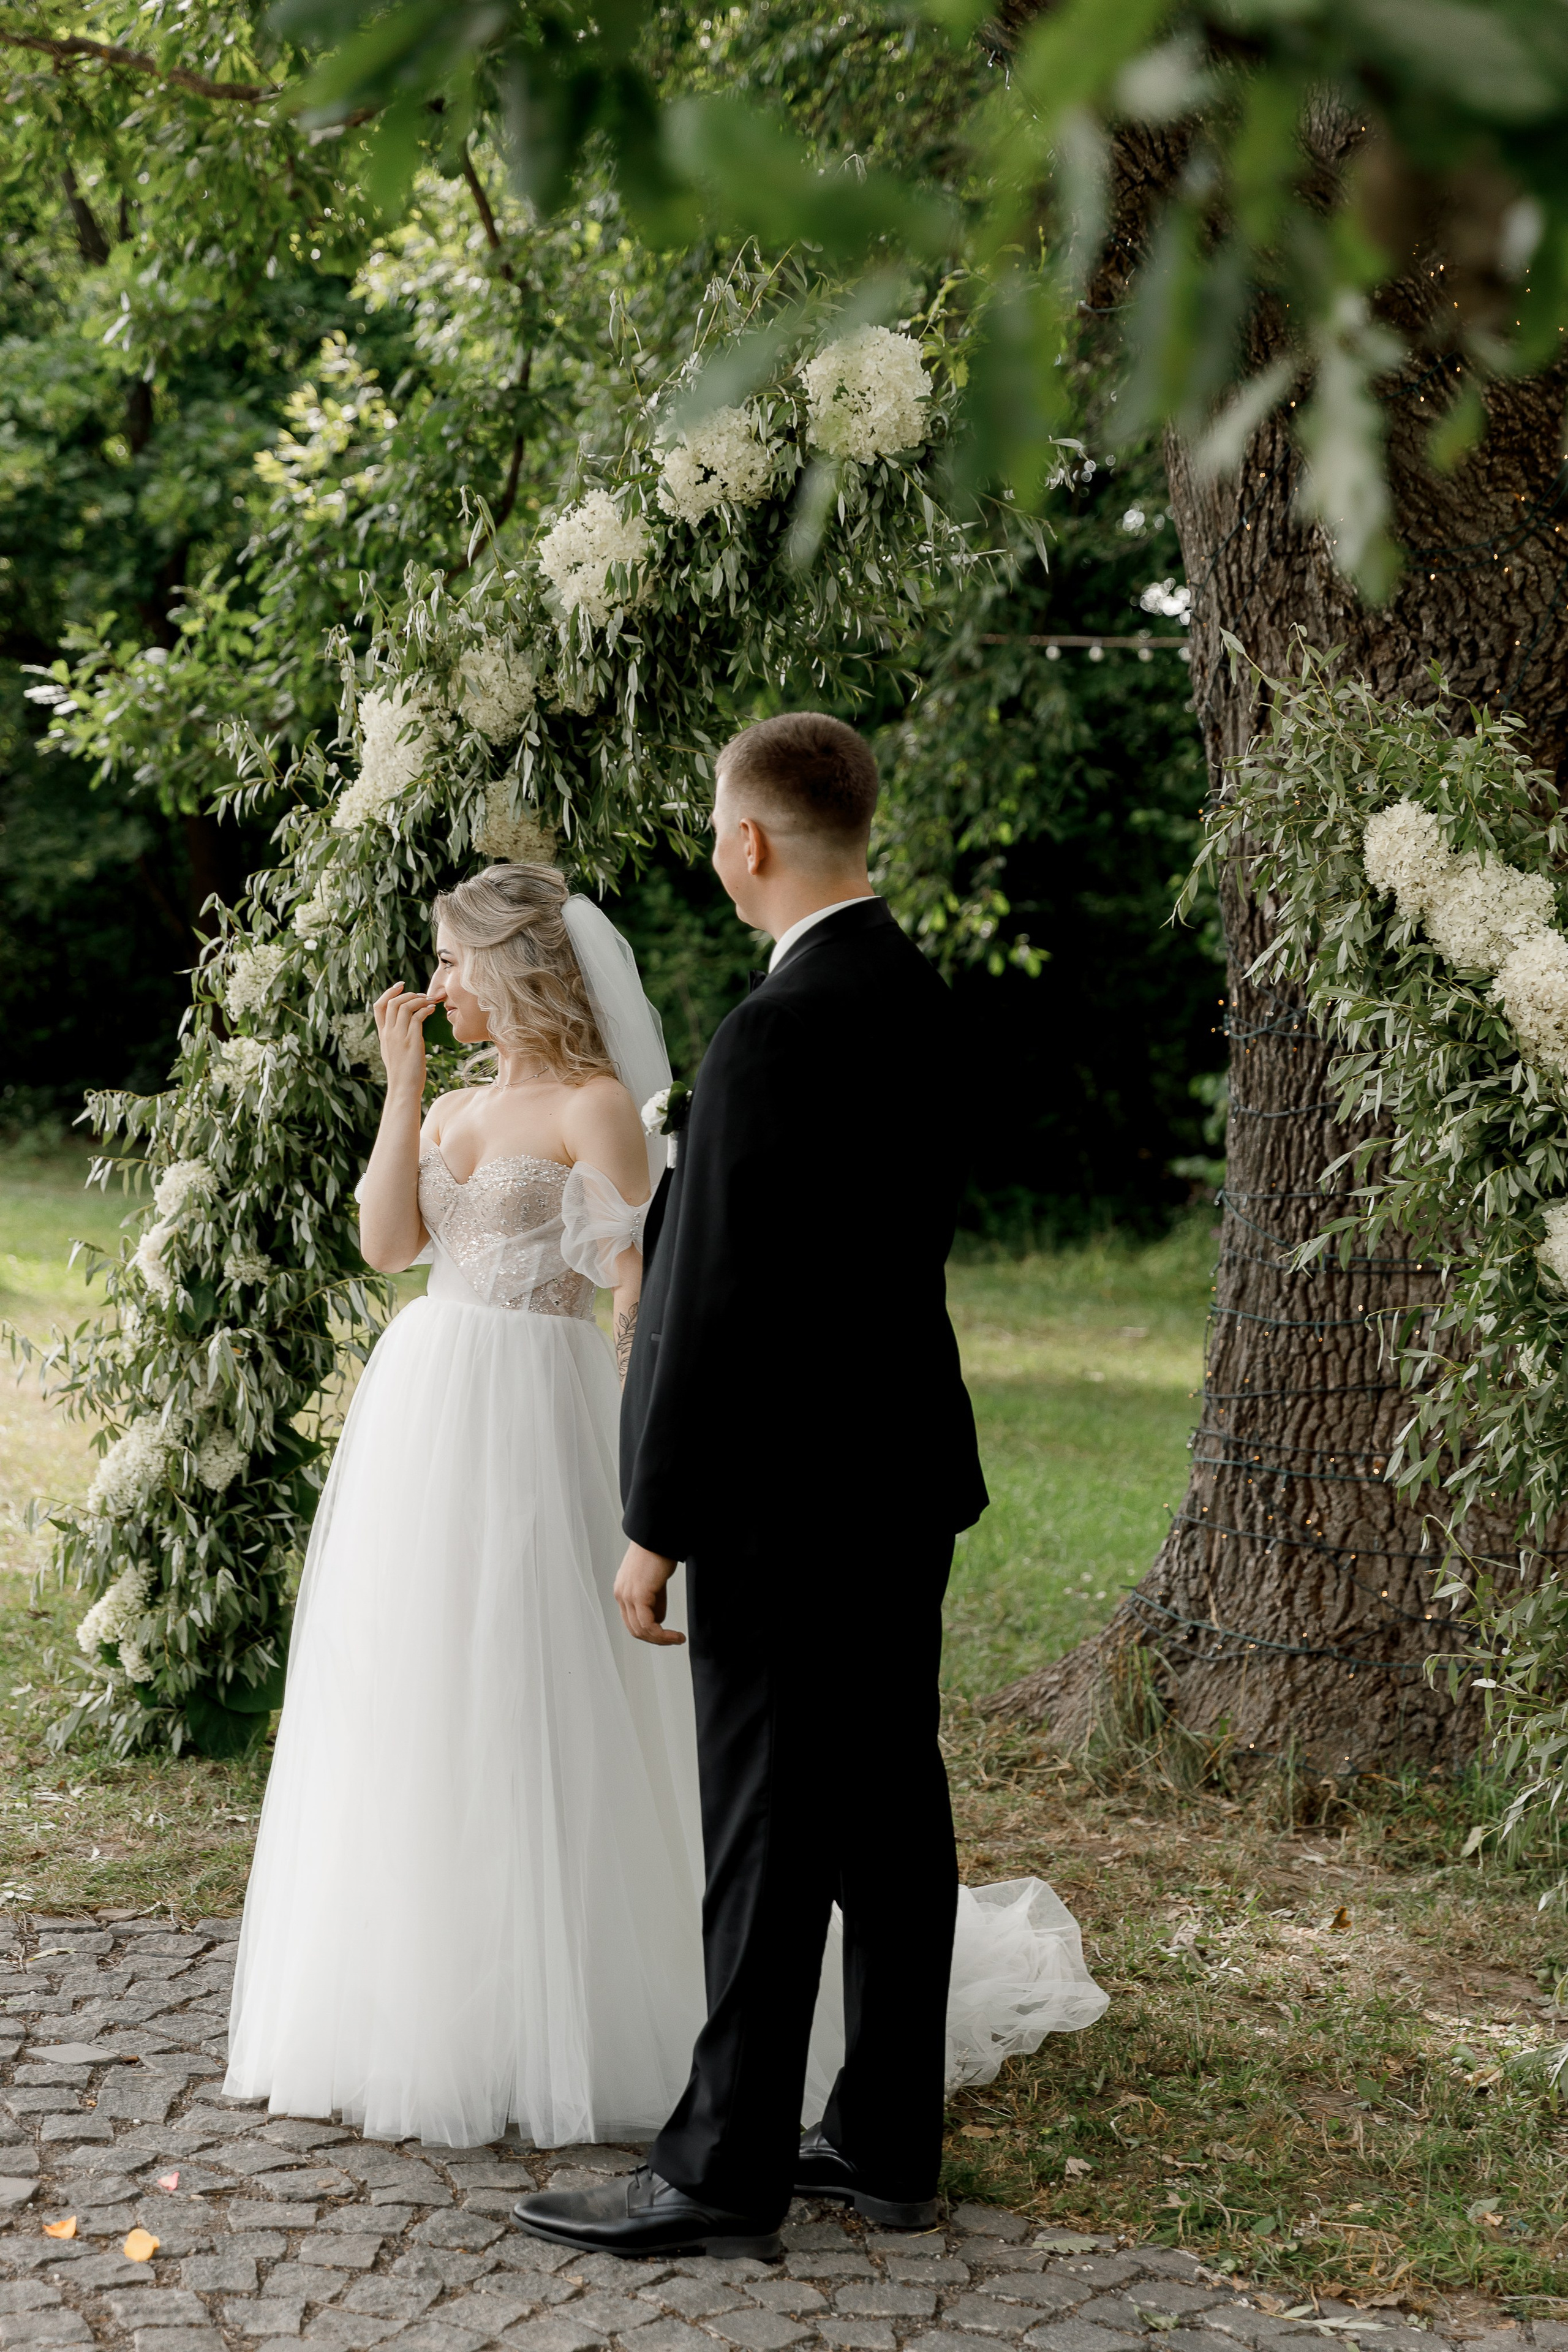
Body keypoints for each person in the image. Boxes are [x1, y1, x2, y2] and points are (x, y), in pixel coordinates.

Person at [516, 714, 1104, 2261]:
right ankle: (886, 2137)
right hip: (900, 1474)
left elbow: (718, 1303)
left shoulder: (774, 1031)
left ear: (749, 843)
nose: (717, 845)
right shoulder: (911, 995)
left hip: (788, 1493)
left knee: (770, 1822)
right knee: (886, 1813)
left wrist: (655, 1522)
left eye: (717, 822)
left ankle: (719, 2169)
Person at [223, 864, 710, 2147]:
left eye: (451, 962)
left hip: (544, 1415)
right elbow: (386, 1246)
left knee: (540, 1681)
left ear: (510, 964)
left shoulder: (599, 1105)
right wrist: (397, 1091)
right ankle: (431, 1987)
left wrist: (633, 1463)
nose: (437, 987)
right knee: (425, 1685)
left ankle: (584, 1997)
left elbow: (633, 1290)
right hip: (428, 1408)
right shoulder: (447, 1107)